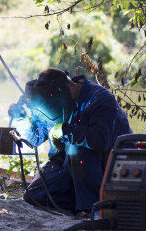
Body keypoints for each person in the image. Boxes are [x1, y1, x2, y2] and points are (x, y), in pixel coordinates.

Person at [9, 68, 132, 213]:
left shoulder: (101, 99)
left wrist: (64, 130)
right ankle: (81, 202)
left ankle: (92, 209)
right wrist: (21, 119)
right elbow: (35, 138)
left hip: (111, 166)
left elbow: (101, 140)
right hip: (68, 164)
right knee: (35, 197)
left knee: (76, 149)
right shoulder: (52, 102)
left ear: (65, 89)